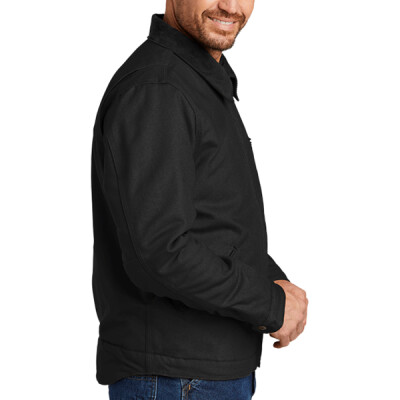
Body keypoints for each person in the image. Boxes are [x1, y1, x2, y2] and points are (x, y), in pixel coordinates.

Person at [91, 1, 308, 399]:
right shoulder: (159, 88)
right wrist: (268, 303)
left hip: (198, 372)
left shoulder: (196, 79)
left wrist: (271, 280)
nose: (230, 6)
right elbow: (159, 252)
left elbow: (213, 220)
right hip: (177, 378)